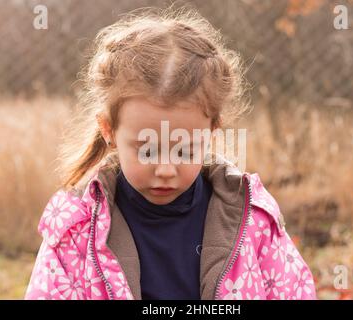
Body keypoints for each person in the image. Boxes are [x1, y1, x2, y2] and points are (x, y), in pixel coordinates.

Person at [25, 7, 316, 300]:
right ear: (109, 129)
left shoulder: (251, 221)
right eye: (148, 149)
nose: (165, 169)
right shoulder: (77, 231)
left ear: (212, 130)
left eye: (184, 150)